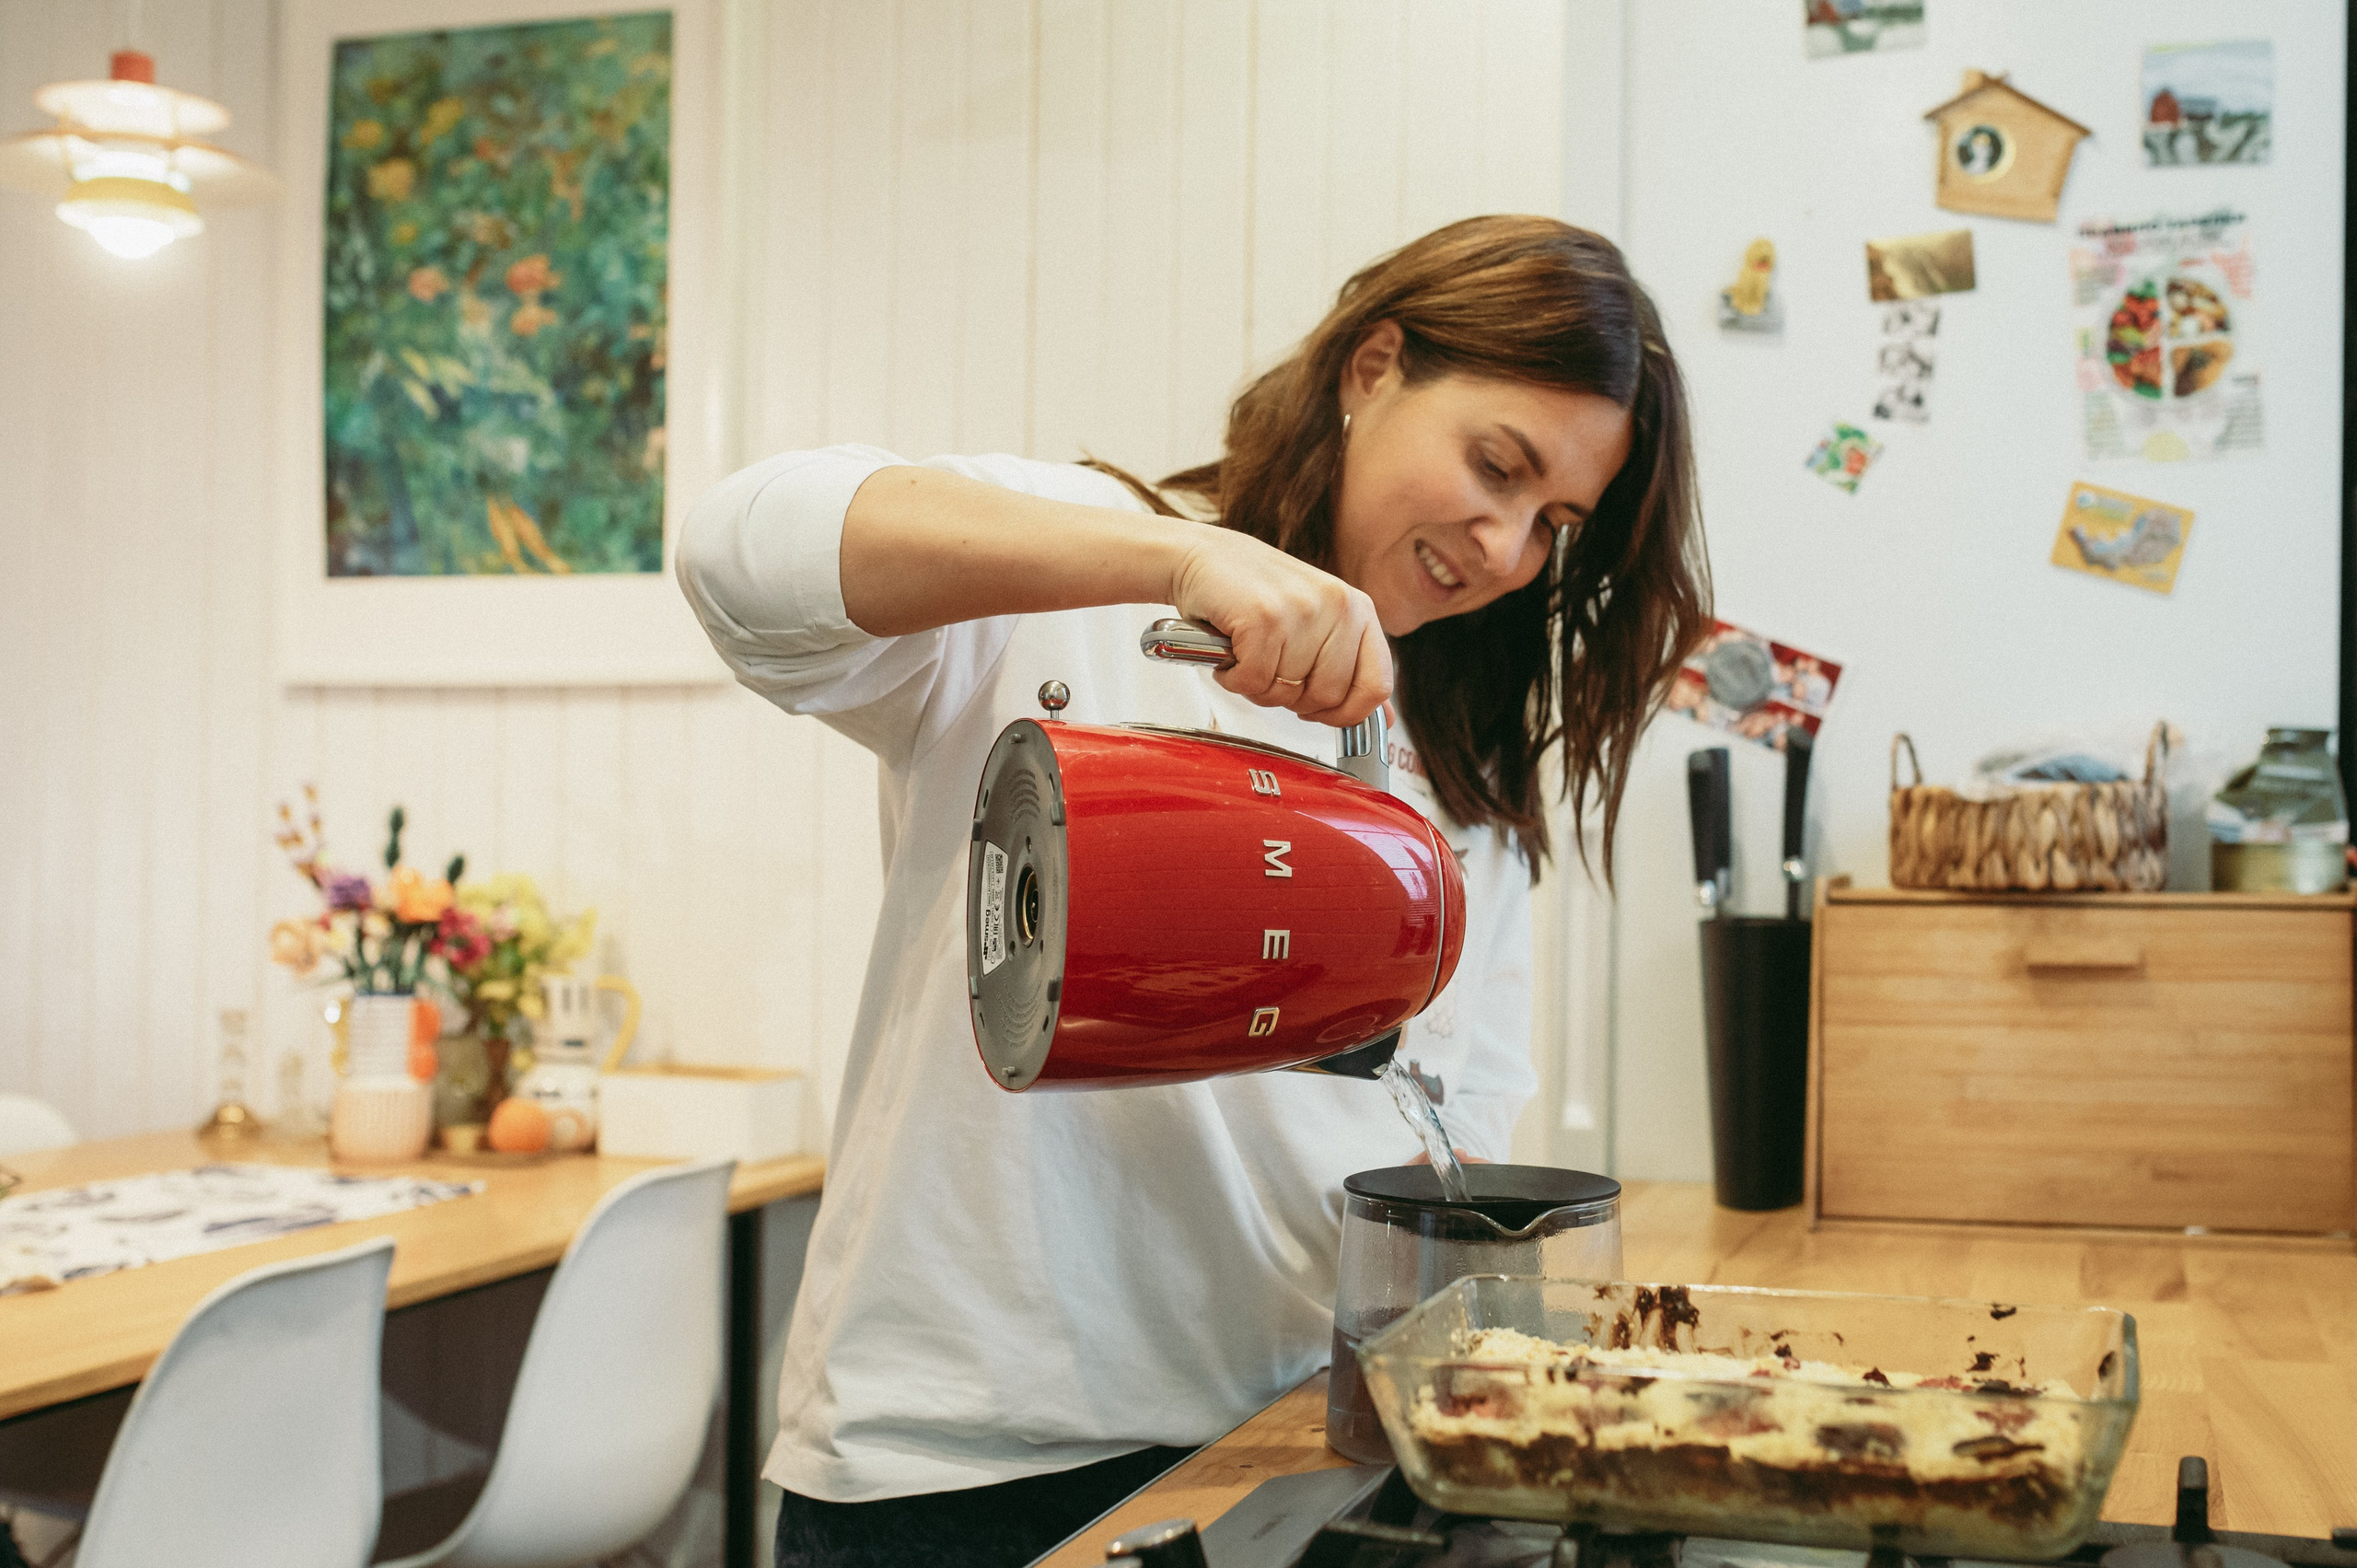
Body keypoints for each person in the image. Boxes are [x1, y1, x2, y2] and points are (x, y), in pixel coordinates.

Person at [677, 215, 1710, 1568]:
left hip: (1265, 1457)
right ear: (1372, 368)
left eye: (1553, 523)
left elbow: (1456, 1120)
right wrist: (1172, 560)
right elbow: (736, 553)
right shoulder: (1073, 578)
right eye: (1495, 464)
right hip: (953, 1462)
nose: (1507, 541)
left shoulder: (1460, 767)